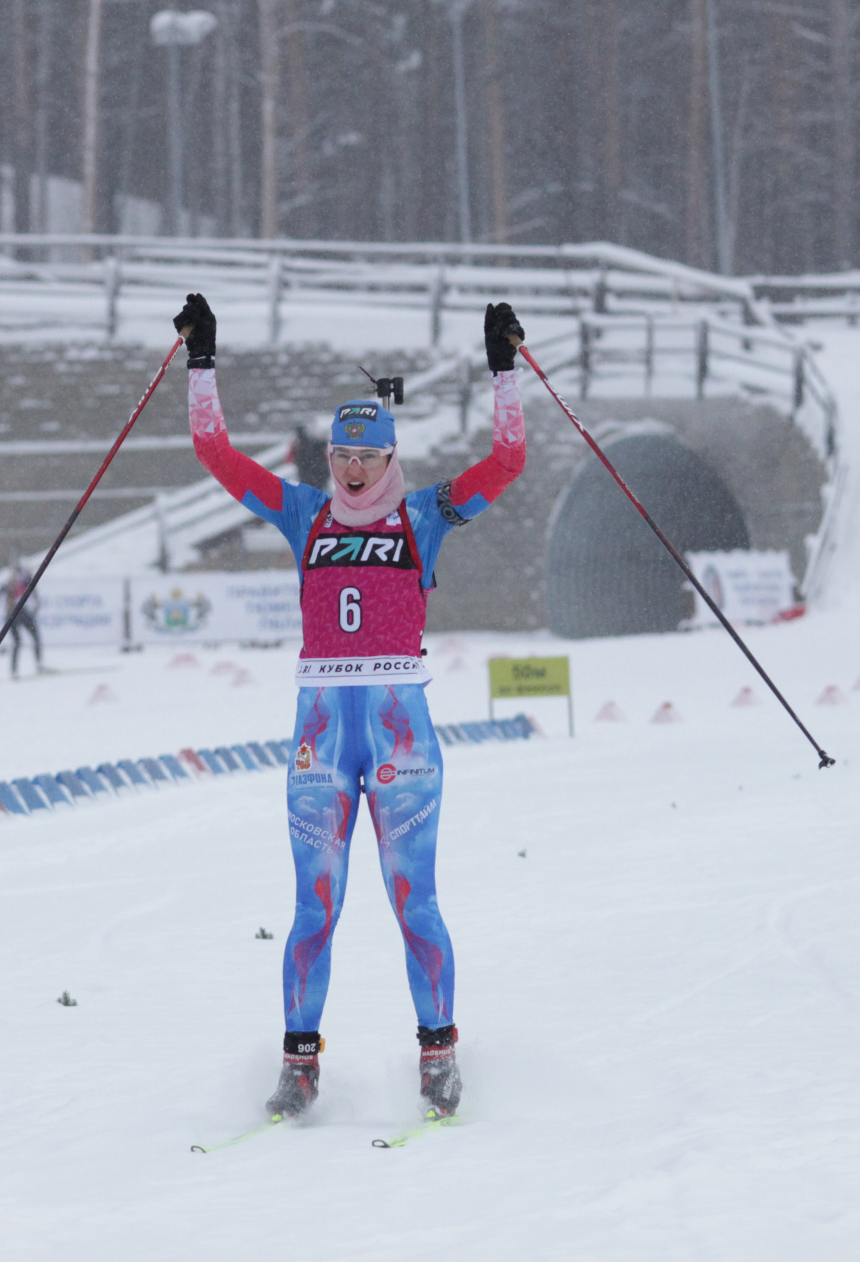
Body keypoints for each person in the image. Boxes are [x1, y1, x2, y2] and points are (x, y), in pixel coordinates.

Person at [175, 291, 527, 1123]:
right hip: (322, 732)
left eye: (367, 455)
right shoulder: (303, 513)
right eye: (341, 454)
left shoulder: (426, 514)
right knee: (313, 904)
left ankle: (437, 1055)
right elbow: (215, 452)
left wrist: (503, 368)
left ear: (390, 454)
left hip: (402, 728)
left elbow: (507, 460)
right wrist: (201, 360)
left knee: (416, 899)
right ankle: (300, 1067)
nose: (353, 469)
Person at [0, 558, 43, 678]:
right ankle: (14, 671)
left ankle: (38, 664)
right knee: (18, 642)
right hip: (12, 615)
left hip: (20, 613)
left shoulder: (23, 583)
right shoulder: (9, 586)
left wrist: (37, 603)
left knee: (34, 637)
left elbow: (32, 587)